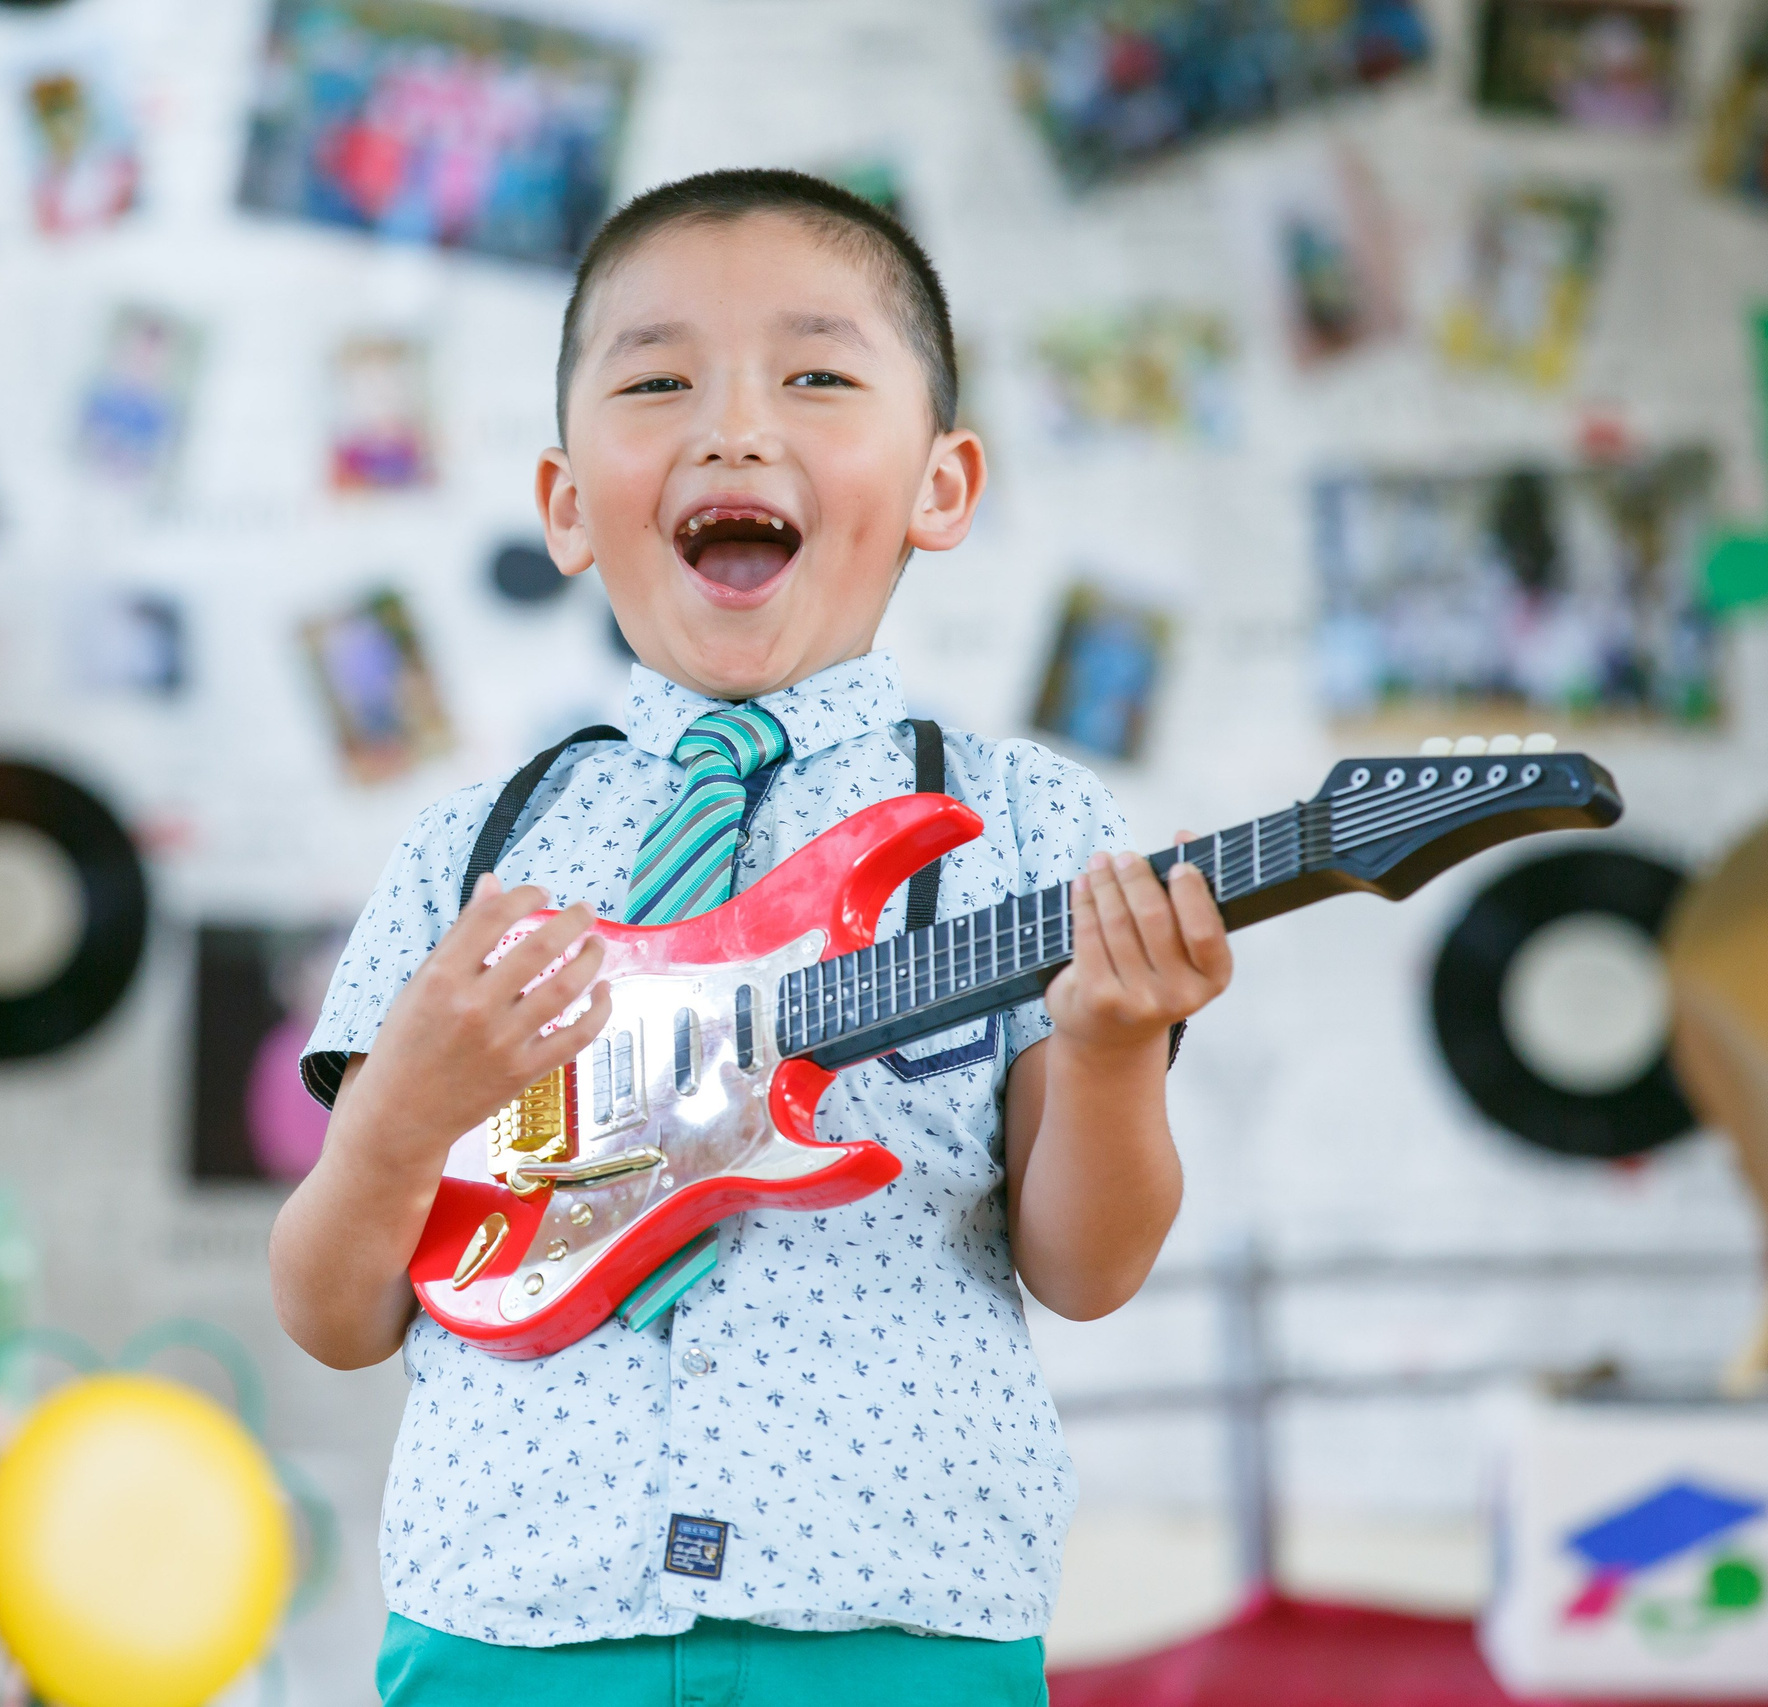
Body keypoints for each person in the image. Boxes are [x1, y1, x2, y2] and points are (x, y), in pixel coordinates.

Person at [268, 169, 1234, 1703]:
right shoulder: (473, 848)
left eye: (819, 376)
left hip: (897, 1618)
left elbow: (1087, 1266)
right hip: (511, 1616)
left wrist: (1114, 1052)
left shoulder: (1026, 826)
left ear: (943, 484)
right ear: (568, 504)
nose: (735, 427)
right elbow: (333, 1312)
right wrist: (400, 1109)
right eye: (658, 380)